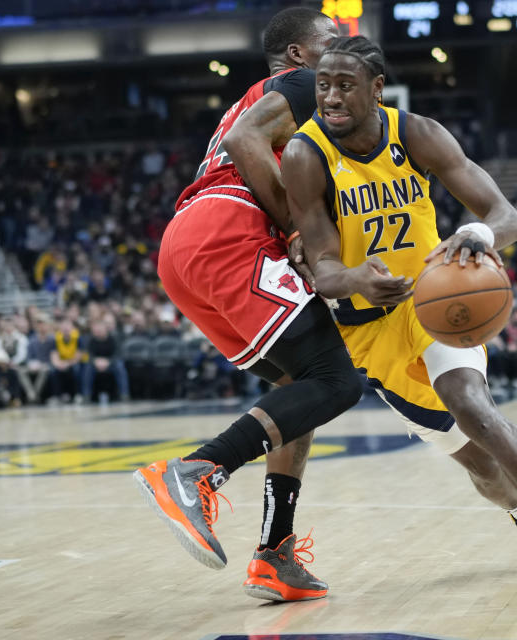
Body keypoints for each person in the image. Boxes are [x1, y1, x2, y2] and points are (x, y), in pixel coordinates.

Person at [279, 35, 517, 618]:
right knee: (478, 465)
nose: (329, 96)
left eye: (345, 84)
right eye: (323, 84)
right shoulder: (305, 156)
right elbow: (322, 267)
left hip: (436, 302)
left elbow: (508, 216)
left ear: (378, 89)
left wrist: (477, 237)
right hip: (366, 329)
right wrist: (354, 279)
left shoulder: (417, 133)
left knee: (474, 407)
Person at [134, 7, 358, 602]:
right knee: (338, 379)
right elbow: (243, 141)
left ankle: (273, 555)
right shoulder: (306, 86)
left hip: (186, 242)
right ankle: (197, 470)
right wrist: (293, 232)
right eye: (331, 43)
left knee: (299, 387)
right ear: (298, 57)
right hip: (229, 228)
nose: (343, 55)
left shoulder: (272, 99)